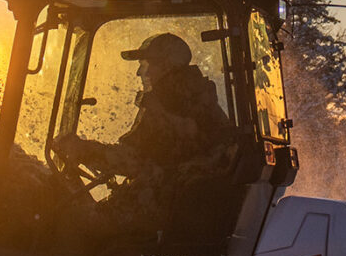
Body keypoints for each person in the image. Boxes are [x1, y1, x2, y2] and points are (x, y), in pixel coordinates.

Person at [66, 32, 233, 234]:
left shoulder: (169, 102)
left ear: (166, 66)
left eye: (146, 64)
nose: (140, 72)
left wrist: (81, 150)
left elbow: (133, 160)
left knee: (78, 230)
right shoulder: (194, 97)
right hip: (183, 202)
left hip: (168, 204)